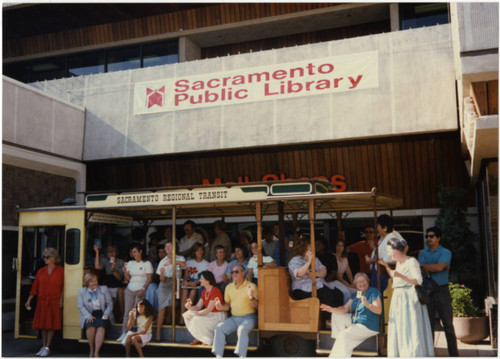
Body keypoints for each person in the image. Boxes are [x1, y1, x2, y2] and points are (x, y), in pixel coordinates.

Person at [378, 236, 434, 357]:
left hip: (409, 298)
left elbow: (418, 280)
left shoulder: (411, 261)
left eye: (389, 251)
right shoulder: (399, 262)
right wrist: (386, 267)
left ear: (396, 250)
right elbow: (396, 278)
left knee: (410, 327)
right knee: (401, 327)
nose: (389, 254)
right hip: (399, 297)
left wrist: (400, 275)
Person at [320, 273, 382, 357]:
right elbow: (344, 309)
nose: (362, 284)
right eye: (359, 282)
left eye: (364, 281)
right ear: (356, 285)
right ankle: (339, 340)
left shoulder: (373, 292)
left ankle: (341, 342)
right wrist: (332, 309)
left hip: (368, 325)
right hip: (356, 322)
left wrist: (367, 304)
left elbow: (378, 310)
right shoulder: (356, 295)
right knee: (336, 315)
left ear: (368, 282)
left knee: (344, 335)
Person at [418, 226, 458, 356]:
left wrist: (425, 266)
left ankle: (454, 354)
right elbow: (420, 270)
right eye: (427, 236)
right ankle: (430, 354)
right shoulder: (422, 253)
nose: (429, 238)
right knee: (428, 326)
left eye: (432, 236)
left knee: (447, 324)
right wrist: (432, 267)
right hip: (427, 291)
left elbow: (440, 267)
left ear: (438, 238)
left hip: (442, 291)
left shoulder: (446, 252)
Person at [212, 264, 258, 358]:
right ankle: (218, 355)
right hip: (234, 318)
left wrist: (251, 298)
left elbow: (257, 306)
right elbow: (227, 306)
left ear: (243, 272)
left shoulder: (252, 286)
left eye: (236, 272)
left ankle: (241, 356)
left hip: (249, 317)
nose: (234, 274)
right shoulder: (229, 287)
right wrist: (220, 307)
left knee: (242, 329)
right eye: (232, 272)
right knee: (219, 328)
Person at [24, 247, 64, 357]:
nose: (45, 259)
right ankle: (43, 345)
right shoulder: (41, 271)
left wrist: (61, 300)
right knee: (43, 325)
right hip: (42, 301)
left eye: (47, 257)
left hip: (54, 300)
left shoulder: (61, 271)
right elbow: (35, 287)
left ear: (54, 258)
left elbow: (63, 287)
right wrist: (29, 300)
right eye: (44, 257)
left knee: (51, 325)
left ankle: (47, 346)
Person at [288, 236, 344, 307]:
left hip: (317, 286)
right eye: (310, 246)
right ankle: (327, 317)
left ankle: (336, 316)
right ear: (303, 247)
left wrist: (315, 274)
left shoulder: (315, 259)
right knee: (327, 296)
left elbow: (324, 271)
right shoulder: (295, 260)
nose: (313, 248)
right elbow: (299, 273)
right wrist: (308, 262)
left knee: (338, 294)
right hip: (302, 289)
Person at [116, 244, 153, 342]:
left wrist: (143, 289)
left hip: (140, 289)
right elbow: (127, 279)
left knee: (137, 313)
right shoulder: (130, 263)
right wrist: (125, 272)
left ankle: (134, 333)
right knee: (128, 312)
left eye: (135, 252)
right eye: (132, 252)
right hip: (130, 289)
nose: (133, 254)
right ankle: (124, 332)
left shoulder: (147, 263)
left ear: (141, 251)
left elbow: (149, 279)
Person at [183, 271, 227, 345]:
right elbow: (198, 307)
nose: (200, 280)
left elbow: (208, 309)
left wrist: (194, 315)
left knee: (196, 318)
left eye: (202, 279)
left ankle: (208, 339)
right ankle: (200, 337)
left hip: (217, 316)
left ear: (208, 280)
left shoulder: (215, 291)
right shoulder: (204, 291)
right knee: (188, 313)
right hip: (210, 314)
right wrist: (189, 307)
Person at [155, 240, 186, 341]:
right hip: (164, 284)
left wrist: (174, 261)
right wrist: (163, 273)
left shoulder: (180, 258)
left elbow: (184, 265)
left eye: (170, 246)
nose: (168, 248)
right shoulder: (162, 261)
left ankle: (170, 321)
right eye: (166, 247)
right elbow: (162, 279)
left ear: (174, 248)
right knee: (162, 307)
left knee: (172, 305)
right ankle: (158, 333)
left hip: (176, 282)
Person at [78, 273, 114, 357]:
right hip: (90, 314)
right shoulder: (82, 291)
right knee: (90, 326)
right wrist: (88, 315)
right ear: (87, 283)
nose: (95, 283)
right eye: (92, 281)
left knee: (101, 327)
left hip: (102, 313)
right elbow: (80, 306)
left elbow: (110, 304)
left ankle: (96, 352)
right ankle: (91, 350)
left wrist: (106, 314)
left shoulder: (104, 289)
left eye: (96, 280)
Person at [365, 214, 400, 293]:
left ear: (385, 228)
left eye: (378, 226)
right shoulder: (382, 238)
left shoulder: (391, 239)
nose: (377, 229)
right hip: (377, 274)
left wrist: (372, 260)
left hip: (384, 276)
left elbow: (389, 259)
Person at [94, 244, 125, 318]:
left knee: (120, 292)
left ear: (117, 253)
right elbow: (97, 266)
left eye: (113, 251)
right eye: (109, 252)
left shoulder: (121, 262)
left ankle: (123, 314)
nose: (111, 253)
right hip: (107, 283)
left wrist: (113, 270)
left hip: (117, 283)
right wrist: (97, 252)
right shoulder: (106, 261)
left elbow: (120, 278)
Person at [181, 243, 209, 321]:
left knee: (193, 291)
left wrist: (196, 283)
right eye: (197, 250)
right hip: (190, 282)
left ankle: (187, 314)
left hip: (200, 283)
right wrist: (187, 282)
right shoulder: (189, 262)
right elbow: (186, 277)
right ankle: (182, 315)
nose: (199, 252)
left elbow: (205, 278)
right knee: (185, 290)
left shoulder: (206, 264)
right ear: (194, 252)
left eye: (201, 250)